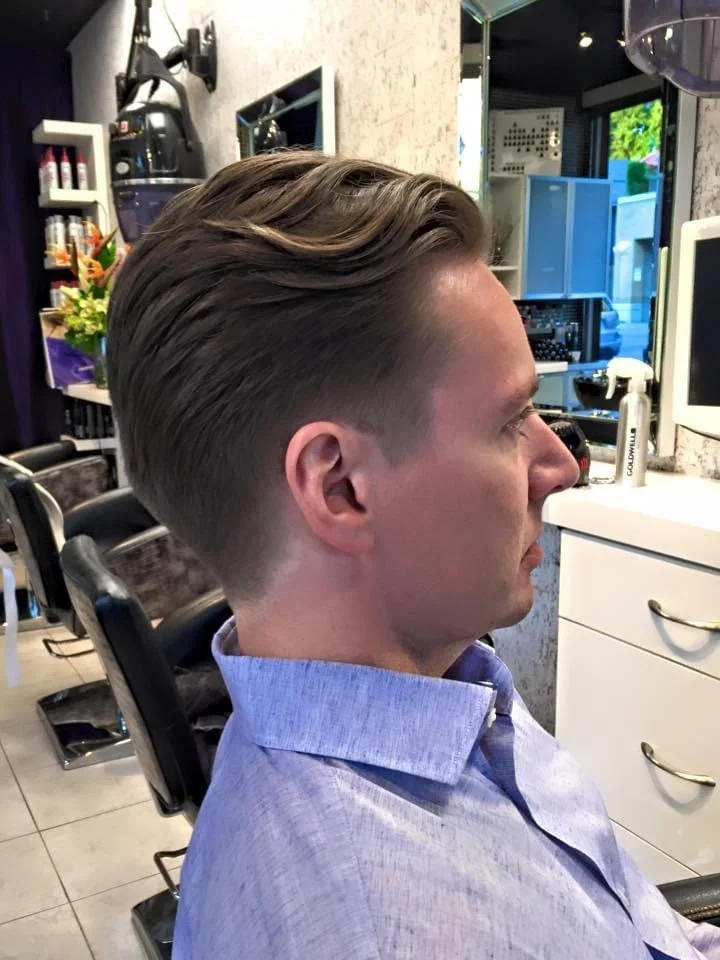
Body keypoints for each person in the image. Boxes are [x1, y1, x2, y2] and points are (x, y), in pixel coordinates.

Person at [107, 153, 720, 960]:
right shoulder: (387, 929)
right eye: (510, 420)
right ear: (342, 489)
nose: (561, 465)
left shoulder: (440, 676)